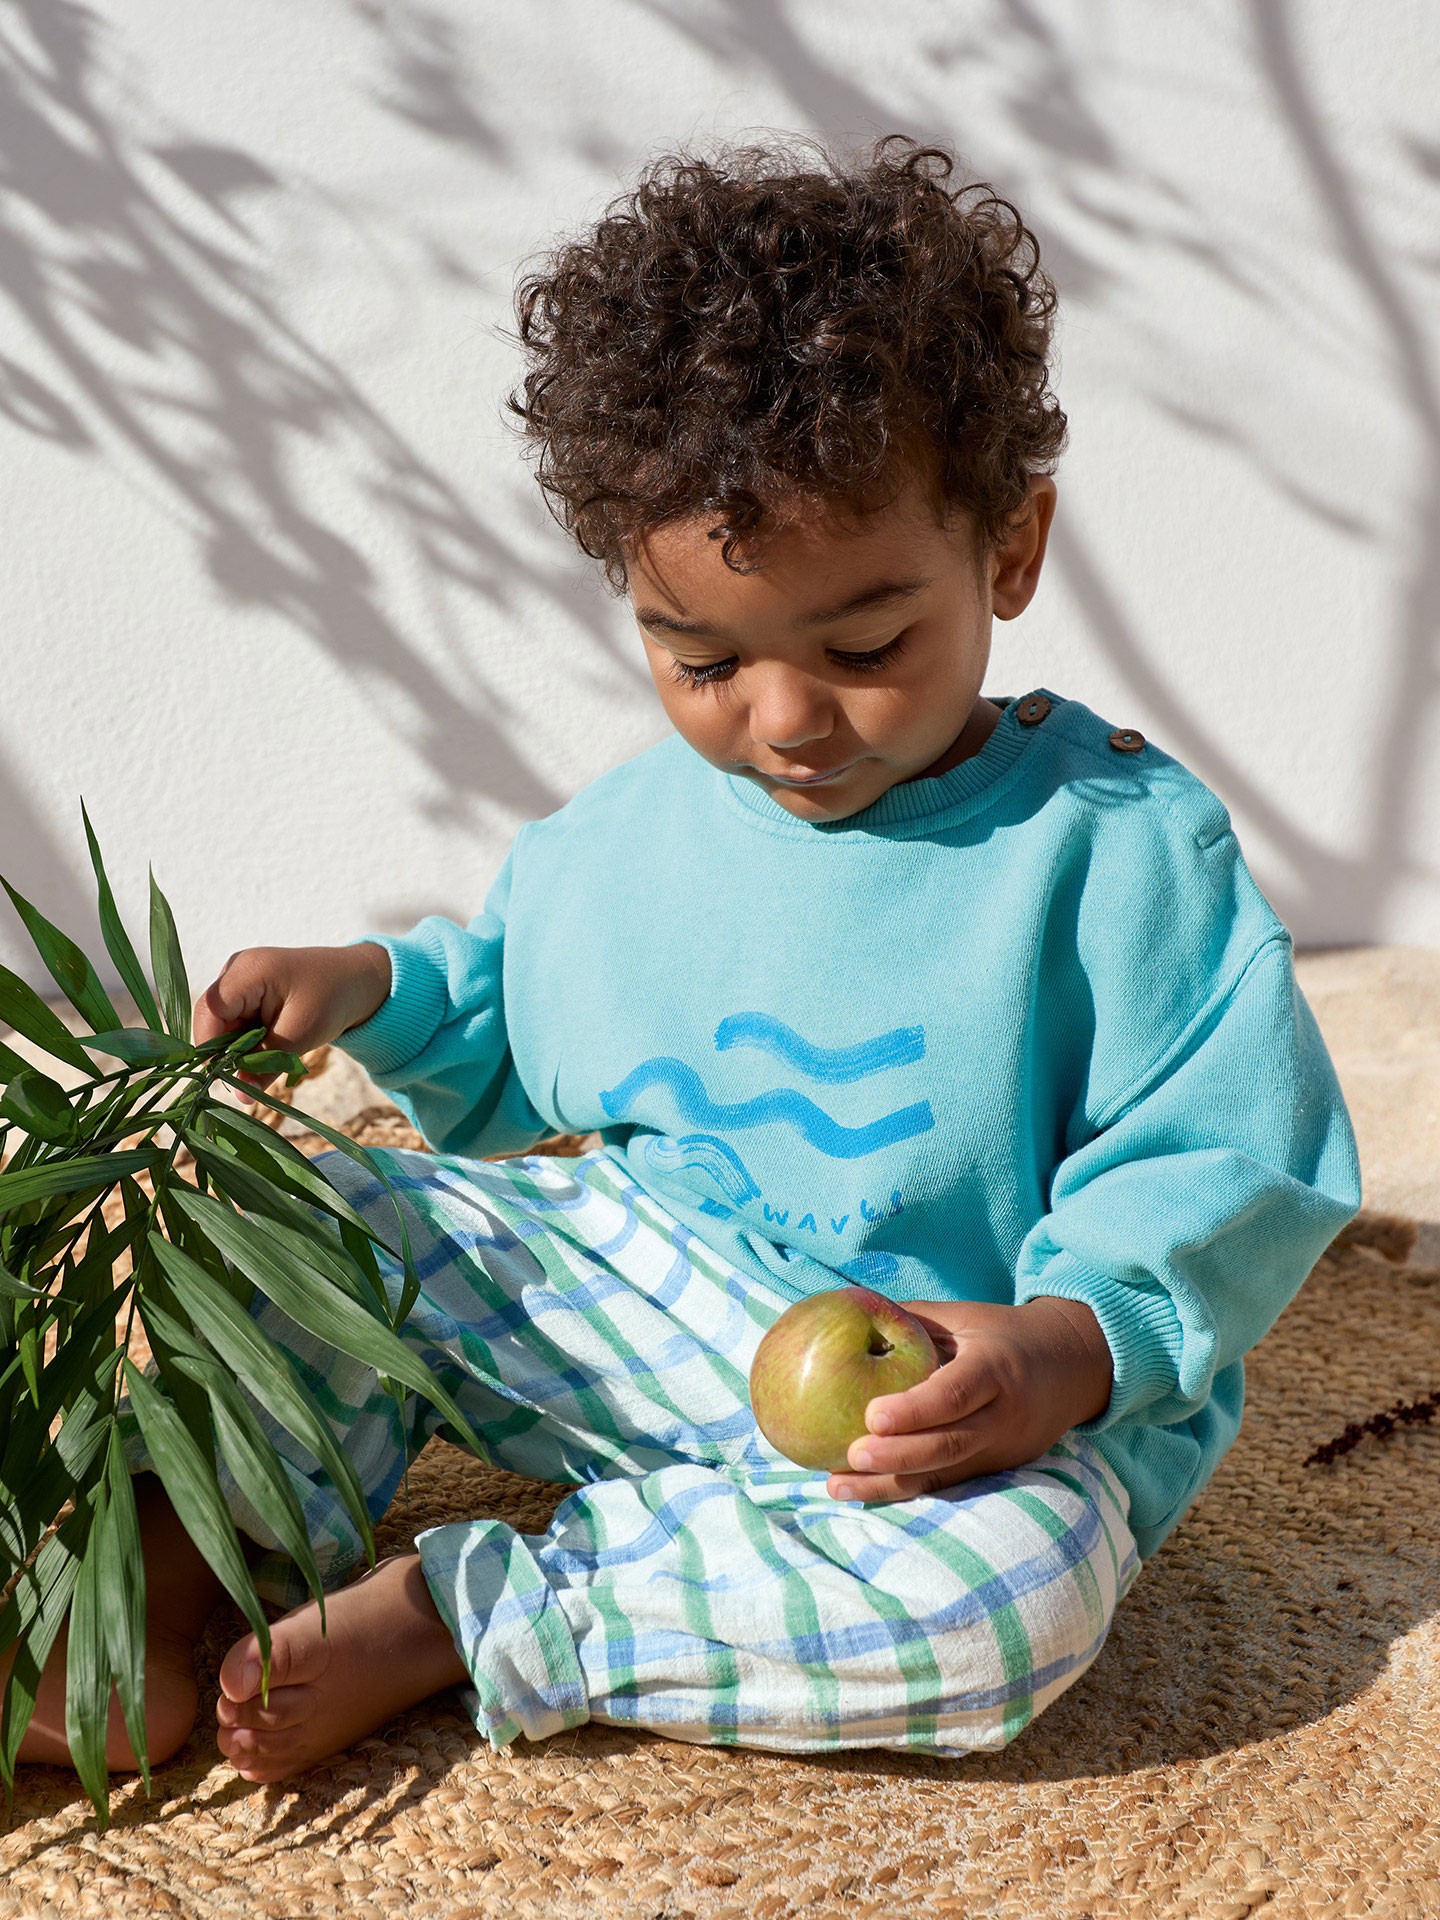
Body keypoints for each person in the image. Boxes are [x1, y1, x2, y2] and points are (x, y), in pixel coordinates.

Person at [9, 134, 1359, 1784]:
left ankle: (483, 1614)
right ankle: (152, 1605)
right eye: (701, 659)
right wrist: (370, 986)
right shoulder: (644, 831)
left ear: (1009, 547)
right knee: (305, 1224)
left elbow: (1225, 1154)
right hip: (644, 1296)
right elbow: (510, 1002)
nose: (785, 719)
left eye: (866, 644)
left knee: (1011, 1599)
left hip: (945, 1414)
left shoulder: (1115, 849)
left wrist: (1066, 1351)